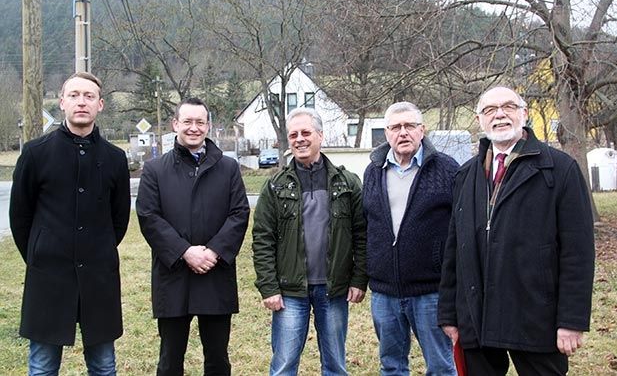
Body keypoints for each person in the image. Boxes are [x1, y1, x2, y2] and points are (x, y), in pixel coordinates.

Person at [438, 86, 595, 375]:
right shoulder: (467, 175)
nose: (499, 114)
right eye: (489, 110)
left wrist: (571, 320)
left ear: (524, 113)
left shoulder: (559, 170)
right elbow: (454, 249)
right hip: (477, 316)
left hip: (535, 316)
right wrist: (449, 313)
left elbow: (579, 252)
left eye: (509, 106)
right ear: (479, 120)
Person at [10, 72, 131, 375]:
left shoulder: (115, 158)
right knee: (42, 366)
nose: (81, 102)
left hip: (99, 276)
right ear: (61, 102)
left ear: (100, 104)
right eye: (74, 95)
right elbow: (20, 216)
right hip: (48, 275)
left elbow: (119, 218)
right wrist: (41, 252)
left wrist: (96, 250)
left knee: (104, 365)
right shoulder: (35, 153)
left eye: (89, 96)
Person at [136, 97, 249, 376]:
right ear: (176, 124)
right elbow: (149, 217)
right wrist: (185, 252)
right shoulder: (155, 170)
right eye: (187, 121)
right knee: (170, 360)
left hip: (215, 275)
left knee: (218, 360)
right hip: (173, 277)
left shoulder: (228, 168)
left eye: (200, 122)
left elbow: (239, 214)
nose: (194, 128)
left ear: (208, 126)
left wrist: (213, 252)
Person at [252, 107, 367, 376]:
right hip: (290, 290)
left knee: (336, 365)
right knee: (283, 365)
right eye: (294, 134)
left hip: (334, 289)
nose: (299, 139)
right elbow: (262, 239)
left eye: (306, 132)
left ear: (320, 136)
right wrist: (269, 287)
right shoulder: (275, 186)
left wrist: (359, 279)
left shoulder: (347, 183)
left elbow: (362, 234)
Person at [362, 101, 458, 376]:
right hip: (385, 292)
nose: (402, 132)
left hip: (431, 291)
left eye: (409, 126)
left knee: (441, 366)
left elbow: (459, 227)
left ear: (422, 130)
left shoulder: (446, 169)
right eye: (395, 127)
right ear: (386, 133)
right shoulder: (374, 170)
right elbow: (367, 224)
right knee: (391, 365)